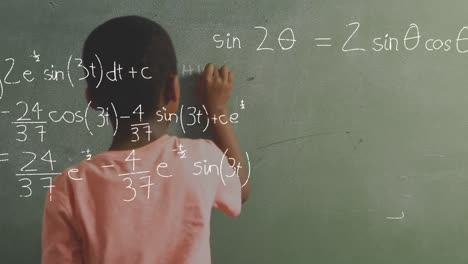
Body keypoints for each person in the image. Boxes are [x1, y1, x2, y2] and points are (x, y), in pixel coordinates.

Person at [41, 15, 250, 264]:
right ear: (173, 89)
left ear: (91, 98)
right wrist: (218, 111)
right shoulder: (201, 158)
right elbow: (240, 188)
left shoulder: (70, 188)